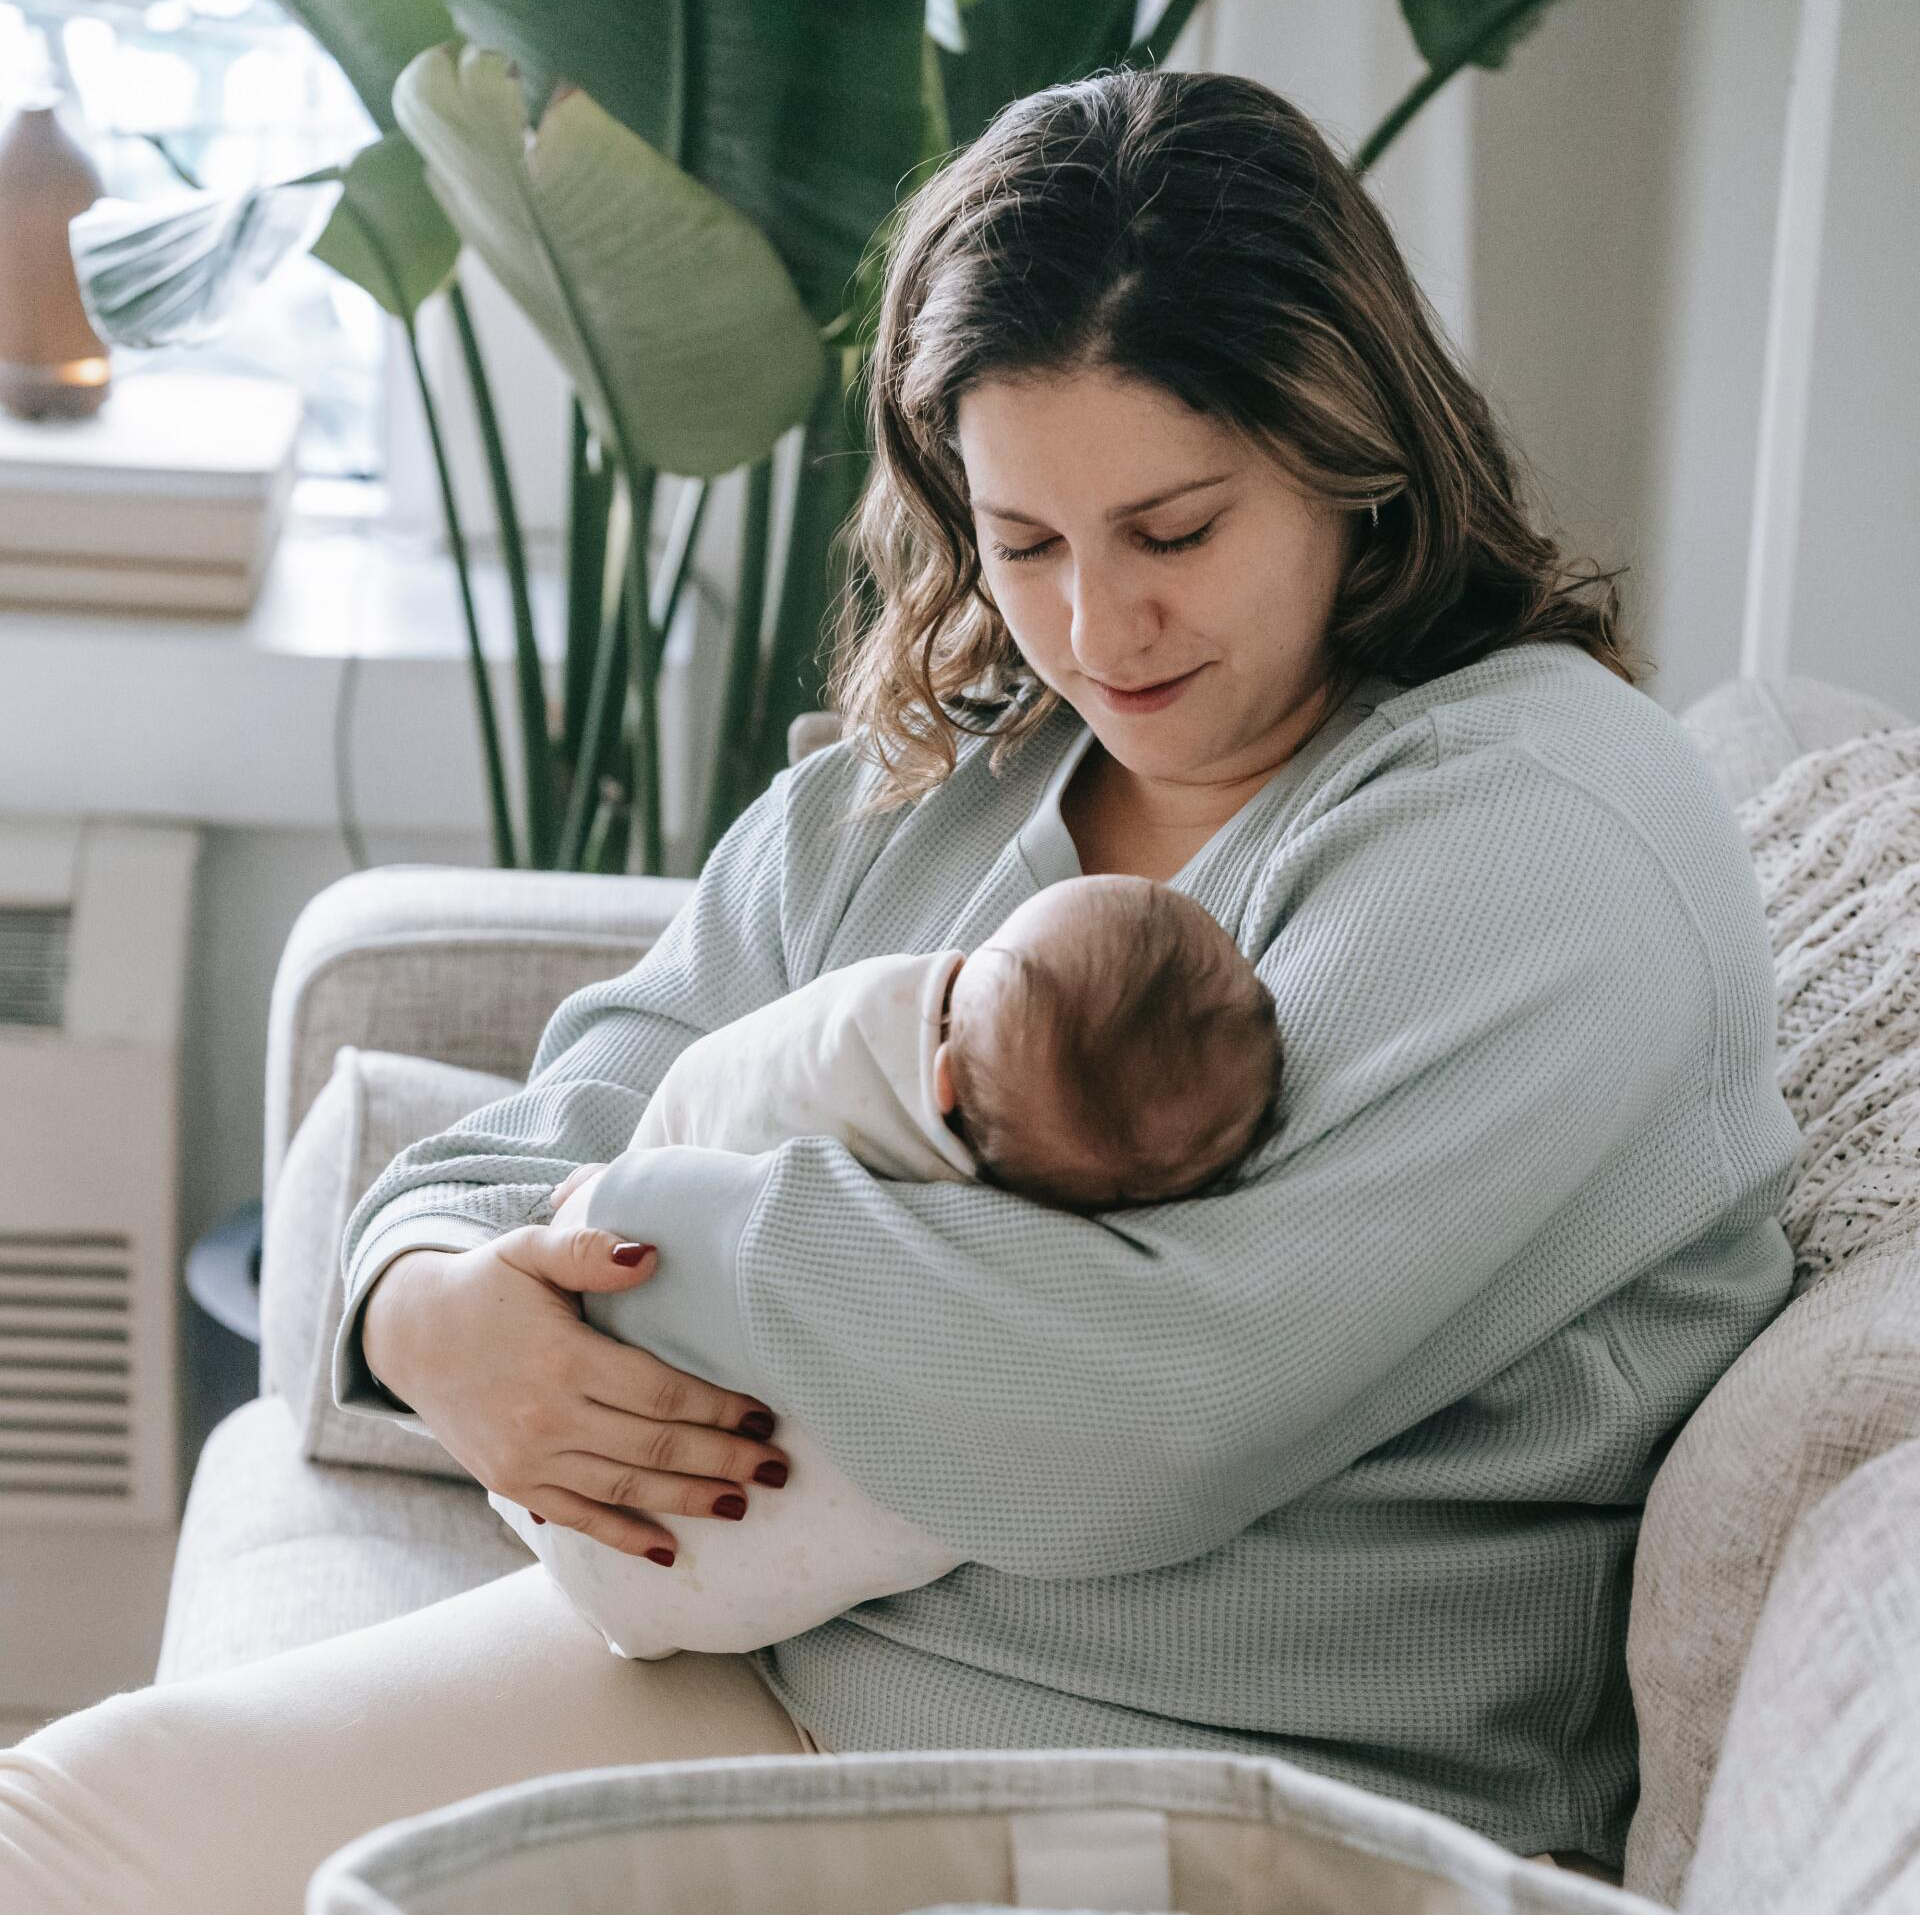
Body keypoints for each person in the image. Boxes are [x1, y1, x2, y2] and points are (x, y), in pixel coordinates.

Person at [0, 64, 1803, 1912]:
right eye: (1024, 545)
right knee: (51, 1838)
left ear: (1356, 459)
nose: (1100, 631)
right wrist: (422, 1312)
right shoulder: (935, 781)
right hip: (774, 1679)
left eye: (1173, 531)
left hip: (1217, 1791)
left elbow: (1132, 1423)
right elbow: (545, 1125)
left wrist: (648, 1227)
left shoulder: (1537, 828)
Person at [492, 873, 1287, 1661]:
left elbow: (714, 1090)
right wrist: (417, 1294)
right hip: (666, 1549)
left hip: (644, 1536)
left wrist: (629, 1194)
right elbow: (574, 1096)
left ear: (941, 1076)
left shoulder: (860, 1055)